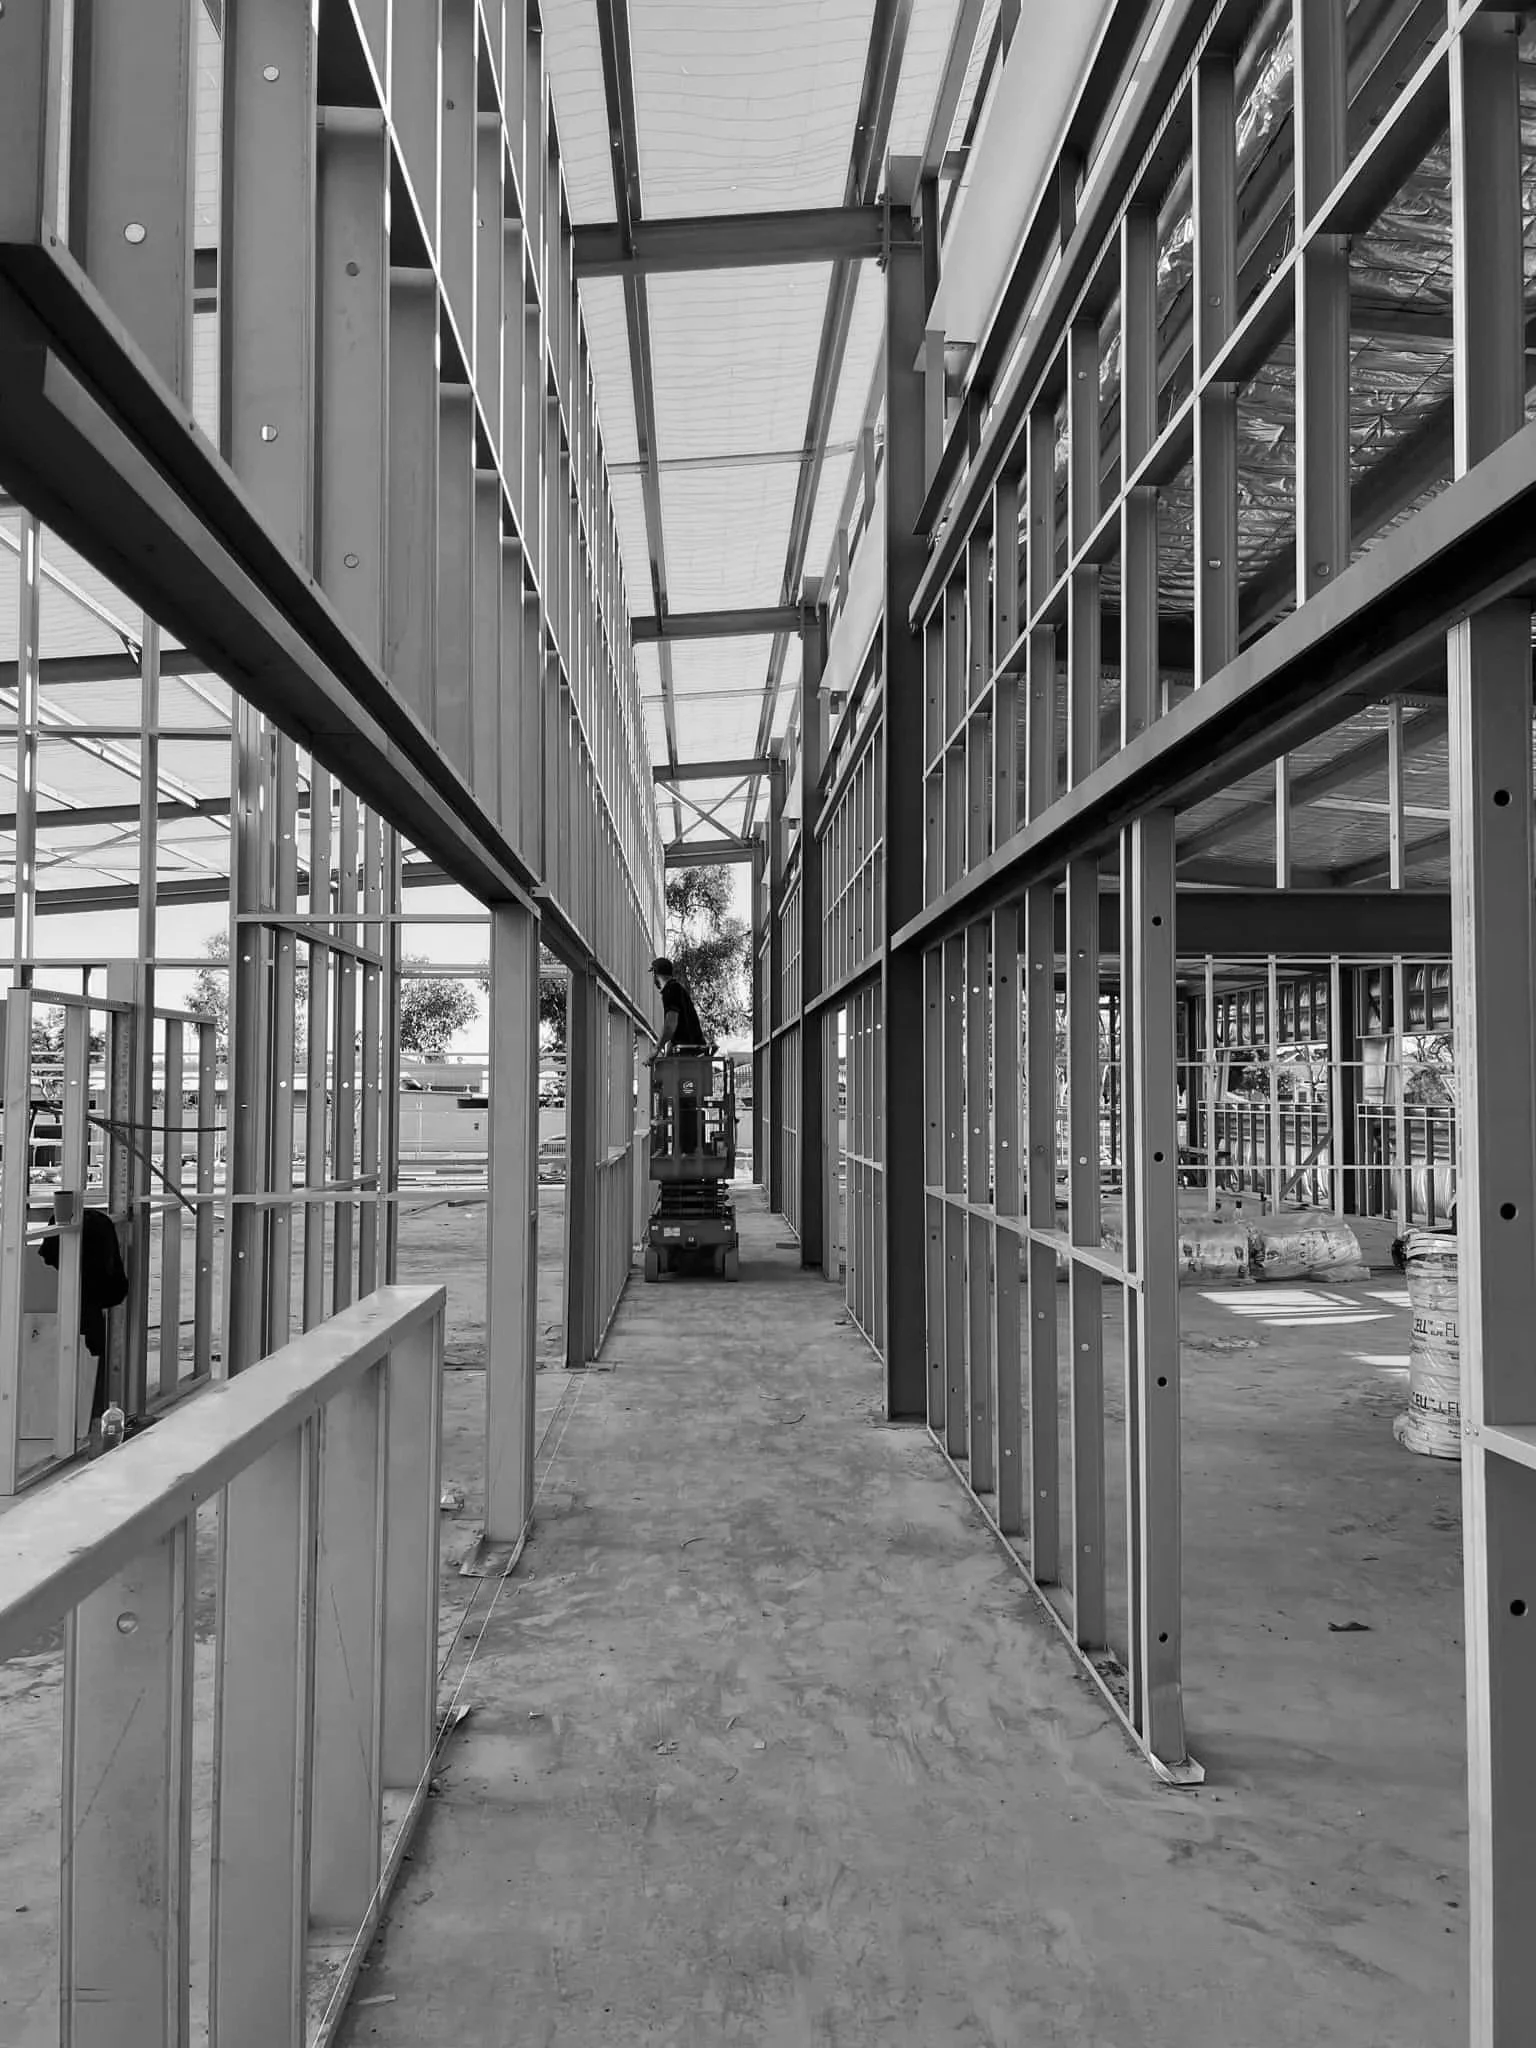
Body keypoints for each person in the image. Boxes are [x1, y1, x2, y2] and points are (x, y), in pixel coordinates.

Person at [649, 957, 707, 1057]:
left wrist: (656, 1050)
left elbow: (670, 1026)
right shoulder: (677, 989)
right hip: (695, 1052)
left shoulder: (670, 990)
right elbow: (680, 1029)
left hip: (687, 1055)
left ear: (656, 974)